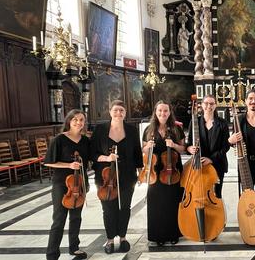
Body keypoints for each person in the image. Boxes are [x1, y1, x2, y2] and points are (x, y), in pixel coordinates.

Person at [90, 100, 143, 254]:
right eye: (116, 110)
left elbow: (137, 153)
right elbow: (92, 154)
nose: (119, 113)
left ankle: (123, 237)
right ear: (110, 111)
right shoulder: (100, 129)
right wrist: (106, 158)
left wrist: (141, 172)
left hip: (128, 174)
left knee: (125, 207)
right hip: (105, 176)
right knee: (108, 208)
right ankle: (110, 239)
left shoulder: (132, 130)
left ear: (125, 113)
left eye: (122, 110)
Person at [45, 110, 90, 260]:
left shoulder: (85, 141)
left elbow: (89, 160)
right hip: (61, 185)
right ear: (69, 121)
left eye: (81, 120)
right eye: (75, 120)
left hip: (79, 183)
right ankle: (52, 254)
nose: (78, 122)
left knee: (76, 217)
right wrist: (69, 165)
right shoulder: (59, 139)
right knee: (59, 219)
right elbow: (49, 162)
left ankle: (74, 248)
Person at [142, 101, 186, 245]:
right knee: (156, 203)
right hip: (155, 170)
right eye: (160, 111)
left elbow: (183, 149)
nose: (163, 113)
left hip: (172, 169)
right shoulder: (148, 130)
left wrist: (173, 145)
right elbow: (142, 151)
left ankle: (173, 233)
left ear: (169, 112)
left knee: (173, 201)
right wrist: (147, 147)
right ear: (155, 112)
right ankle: (158, 236)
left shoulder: (176, 129)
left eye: (165, 111)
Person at [186, 94, 230, 198]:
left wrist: (211, 159)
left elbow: (225, 146)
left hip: (217, 165)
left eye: (211, 104)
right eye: (206, 103)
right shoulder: (194, 121)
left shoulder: (222, 123)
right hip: (199, 165)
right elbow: (188, 144)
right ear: (201, 105)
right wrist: (189, 148)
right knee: (200, 195)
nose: (209, 106)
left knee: (216, 195)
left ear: (215, 106)